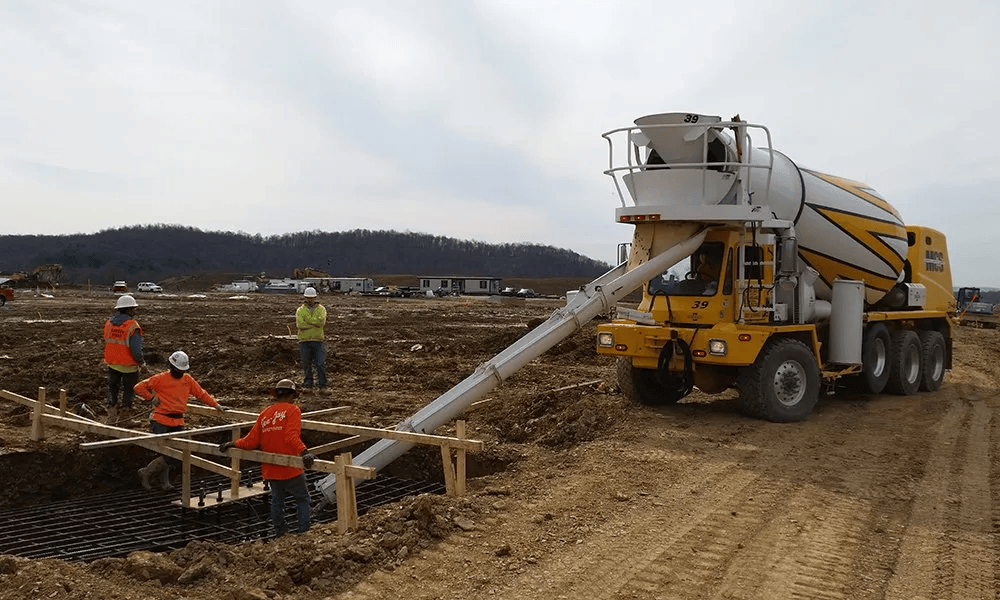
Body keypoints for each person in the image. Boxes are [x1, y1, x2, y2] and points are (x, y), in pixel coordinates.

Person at [219, 379, 316, 538]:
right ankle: (303, 533)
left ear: (276, 395)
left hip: (271, 469)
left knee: (277, 501)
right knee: (303, 499)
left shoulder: (265, 413)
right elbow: (291, 435)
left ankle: (280, 533)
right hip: (290, 468)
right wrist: (304, 452)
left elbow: (251, 441)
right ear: (292, 395)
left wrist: (233, 443)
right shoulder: (293, 410)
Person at [133, 350, 226, 490]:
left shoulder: (187, 380)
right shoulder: (160, 378)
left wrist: (216, 405)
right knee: (166, 453)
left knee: (173, 454)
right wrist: (151, 398)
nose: (179, 372)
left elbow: (201, 393)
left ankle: (160, 480)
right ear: (171, 366)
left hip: (177, 421)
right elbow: (138, 387)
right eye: (177, 369)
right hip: (160, 419)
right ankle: (147, 473)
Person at [103, 294, 145, 421]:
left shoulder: (109, 324)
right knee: (128, 391)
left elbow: (107, 340)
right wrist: (142, 363)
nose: (134, 311)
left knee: (112, 388)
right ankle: (125, 418)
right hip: (128, 366)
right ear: (128, 309)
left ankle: (111, 414)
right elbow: (136, 350)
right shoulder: (132, 326)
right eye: (133, 308)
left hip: (112, 363)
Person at [296, 287, 328, 394]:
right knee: (307, 364)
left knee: (320, 364)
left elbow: (321, 323)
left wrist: (308, 321)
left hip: (318, 341)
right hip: (304, 341)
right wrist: (314, 323)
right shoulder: (300, 310)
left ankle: (322, 386)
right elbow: (300, 325)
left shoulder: (321, 309)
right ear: (305, 298)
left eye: (312, 298)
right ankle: (308, 385)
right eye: (308, 298)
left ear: (315, 297)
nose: (310, 300)